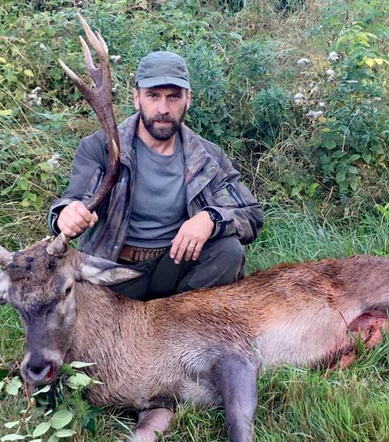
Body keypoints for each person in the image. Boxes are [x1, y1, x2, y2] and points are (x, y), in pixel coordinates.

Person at [47, 51, 264, 300]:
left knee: (228, 252)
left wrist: (211, 219)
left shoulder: (206, 157)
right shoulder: (101, 148)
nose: (163, 108)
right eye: (153, 96)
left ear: (187, 99)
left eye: (173, 97)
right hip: (115, 268)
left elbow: (251, 214)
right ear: (137, 98)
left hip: (173, 265)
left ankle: (180, 322)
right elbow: (72, 201)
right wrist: (67, 214)